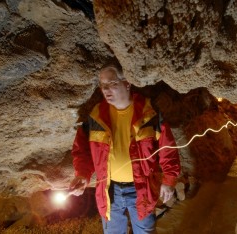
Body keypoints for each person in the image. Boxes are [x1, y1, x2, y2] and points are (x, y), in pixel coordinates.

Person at [69, 62, 181, 234]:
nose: (106, 90)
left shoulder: (148, 113)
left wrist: (169, 180)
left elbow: (168, 148)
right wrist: (83, 174)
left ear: (127, 83)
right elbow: (82, 150)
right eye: (103, 85)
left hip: (141, 189)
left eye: (112, 84)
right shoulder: (96, 116)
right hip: (109, 190)